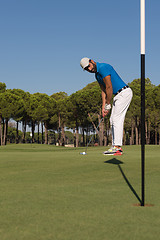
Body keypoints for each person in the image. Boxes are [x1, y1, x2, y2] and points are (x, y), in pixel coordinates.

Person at [80, 57, 133, 155]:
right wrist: (103, 106)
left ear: (92, 61)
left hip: (124, 92)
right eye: (86, 69)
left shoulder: (103, 67)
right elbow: (103, 90)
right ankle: (115, 146)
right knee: (112, 119)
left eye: (89, 66)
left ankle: (117, 148)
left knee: (116, 119)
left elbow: (109, 87)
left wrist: (108, 104)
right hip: (117, 95)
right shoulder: (97, 75)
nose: (89, 69)